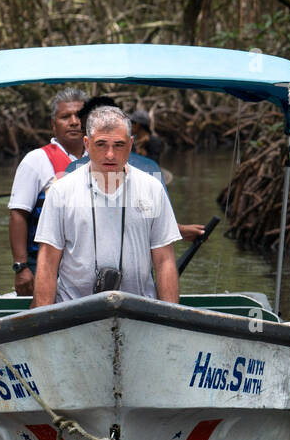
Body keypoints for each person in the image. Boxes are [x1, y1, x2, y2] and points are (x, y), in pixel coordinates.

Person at [33, 106, 180, 306]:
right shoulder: (62, 190)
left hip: (139, 311)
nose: (110, 155)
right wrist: (45, 323)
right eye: (101, 144)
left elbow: (164, 261)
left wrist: (170, 319)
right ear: (87, 143)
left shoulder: (152, 188)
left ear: (130, 145)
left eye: (118, 145)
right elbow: (48, 263)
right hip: (72, 310)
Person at [66, 97, 206, 243]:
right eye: (85, 129)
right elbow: (161, 224)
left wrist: (177, 230)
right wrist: (179, 230)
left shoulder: (74, 169)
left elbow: (159, 222)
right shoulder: (149, 167)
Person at [9, 88, 87, 295]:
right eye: (65, 117)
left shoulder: (101, 160)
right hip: (43, 261)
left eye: (79, 116)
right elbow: (18, 214)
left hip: (85, 264)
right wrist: (21, 267)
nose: (74, 122)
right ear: (54, 125)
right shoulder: (36, 160)